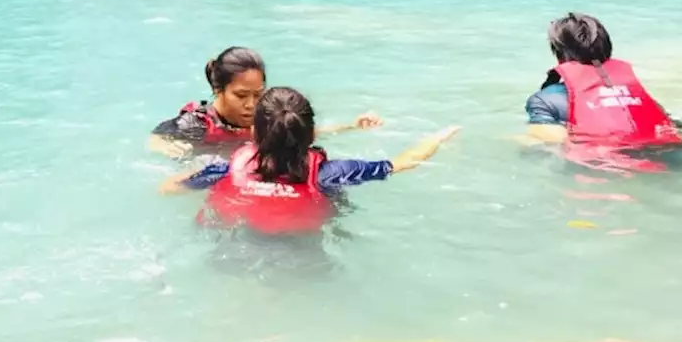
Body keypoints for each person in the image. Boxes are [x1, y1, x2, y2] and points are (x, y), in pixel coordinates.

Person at [161, 87, 460, 235]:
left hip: (236, 242)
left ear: (253, 133)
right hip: (300, 251)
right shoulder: (331, 173)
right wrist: (438, 137)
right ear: (310, 133)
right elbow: (403, 162)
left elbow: (169, 188)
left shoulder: (226, 169)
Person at [148, 47, 381, 157]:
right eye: (240, 96)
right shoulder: (196, 124)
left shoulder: (265, 117)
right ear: (218, 90)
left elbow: (302, 132)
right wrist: (164, 147)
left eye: (258, 94)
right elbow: (155, 138)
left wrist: (352, 125)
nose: (251, 105)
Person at [524, 13, 682, 168]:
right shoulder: (636, 95)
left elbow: (549, 143)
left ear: (558, 55)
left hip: (601, 167)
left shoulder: (545, 100)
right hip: (666, 158)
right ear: (608, 49)